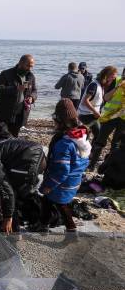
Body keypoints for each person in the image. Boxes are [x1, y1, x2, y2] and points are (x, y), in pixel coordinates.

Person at [39, 99, 91, 232]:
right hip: (74, 180)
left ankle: (71, 229)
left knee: (60, 205)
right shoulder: (81, 136)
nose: (53, 122)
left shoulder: (64, 144)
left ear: (61, 122)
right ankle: (44, 224)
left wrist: (49, 185)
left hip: (62, 183)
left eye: (55, 119)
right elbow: (84, 161)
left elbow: (62, 170)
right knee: (50, 202)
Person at [78, 66, 119, 170]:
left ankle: (88, 153)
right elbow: (85, 101)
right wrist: (95, 111)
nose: (113, 80)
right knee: (98, 135)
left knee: (92, 134)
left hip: (92, 114)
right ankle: (88, 154)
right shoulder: (94, 85)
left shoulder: (101, 85)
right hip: (86, 114)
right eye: (112, 78)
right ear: (106, 76)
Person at [0, 54, 37, 138]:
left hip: (20, 114)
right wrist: (15, 88)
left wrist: (32, 97)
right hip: (4, 113)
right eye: (28, 66)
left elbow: (34, 90)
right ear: (20, 63)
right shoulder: (6, 74)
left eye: (31, 66)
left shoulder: (30, 76)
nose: (29, 68)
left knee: (13, 138)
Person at [91, 67, 125, 170]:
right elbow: (106, 98)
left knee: (116, 144)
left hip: (123, 119)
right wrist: (117, 87)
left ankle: (109, 166)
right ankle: (92, 164)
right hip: (109, 117)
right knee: (100, 141)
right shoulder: (116, 80)